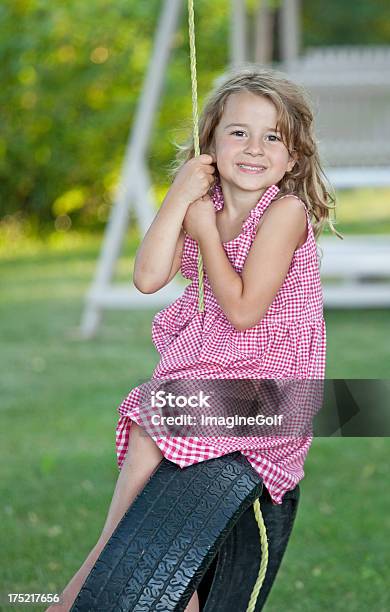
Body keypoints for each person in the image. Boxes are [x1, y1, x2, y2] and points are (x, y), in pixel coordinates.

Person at [48, 65, 341, 612]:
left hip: (276, 394)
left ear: (293, 156)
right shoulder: (202, 205)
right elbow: (147, 276)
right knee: (150, 426)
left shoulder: (286, 212)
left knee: (162, 413)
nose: (254, 148)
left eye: (272, 137)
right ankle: (155, 587)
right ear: (210, 144)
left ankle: (86, 581)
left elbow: (245, 309)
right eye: (238, 133)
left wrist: (205, 233)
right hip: (216, 384)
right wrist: (180, 195)